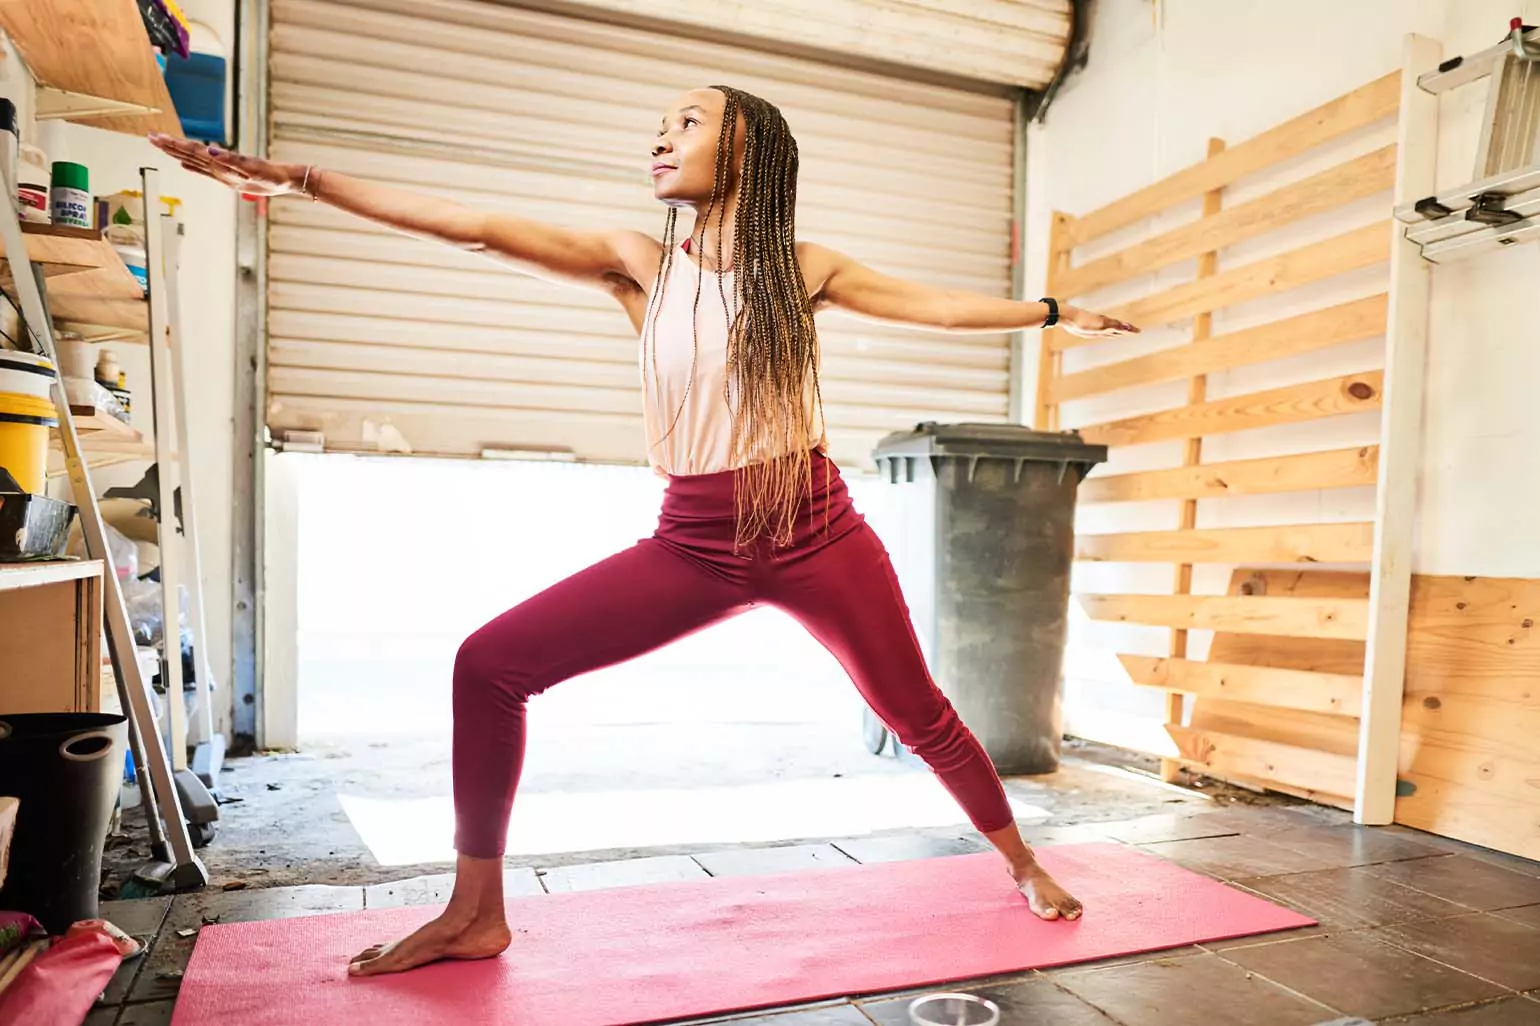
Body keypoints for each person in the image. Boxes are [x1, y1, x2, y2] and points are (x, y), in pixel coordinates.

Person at [151, 84, 1137, 979]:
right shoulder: (637, 265)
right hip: (693, 542)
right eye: (657, 127)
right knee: (487, 663)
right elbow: (478, 228)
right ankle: (473, 910)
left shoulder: (804, 268)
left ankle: (1021, 864)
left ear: (747, 151)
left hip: (816, 530)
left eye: (687, 123)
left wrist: (1048, 312)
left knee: (916, 708)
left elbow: (934, 306)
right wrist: (308, 179)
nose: (659, 139)